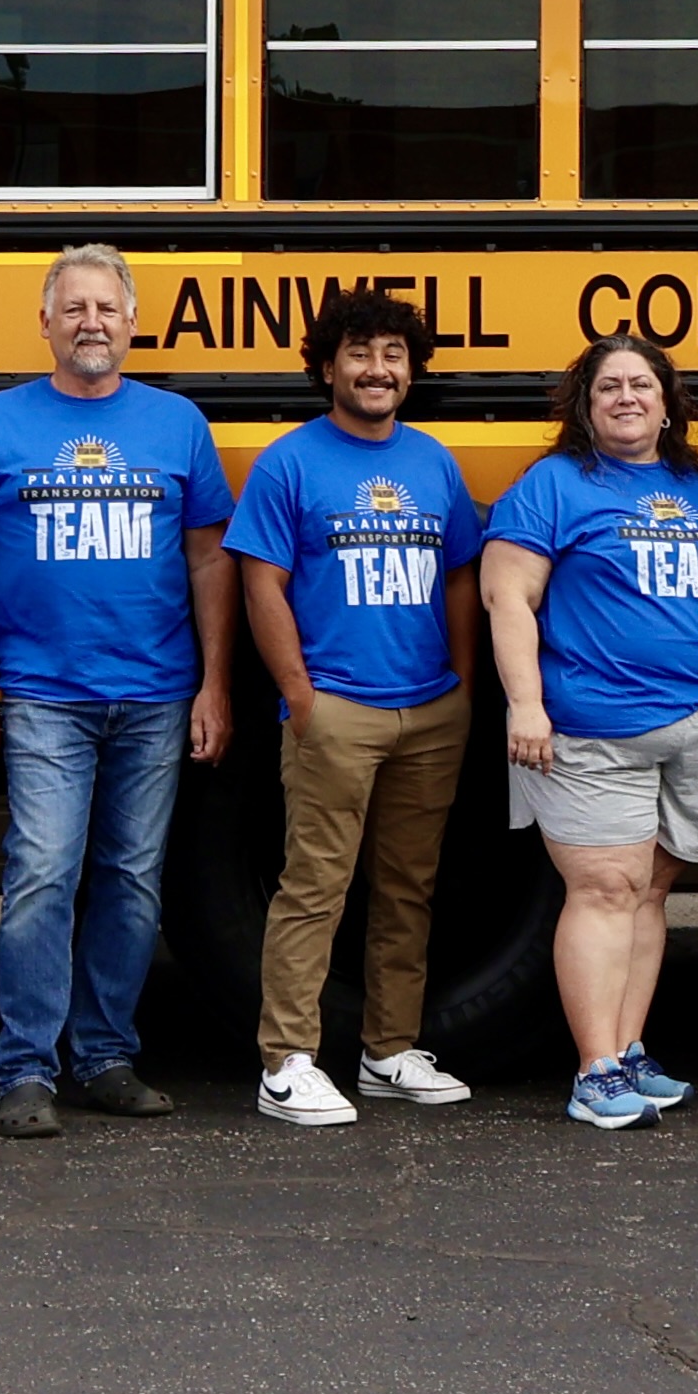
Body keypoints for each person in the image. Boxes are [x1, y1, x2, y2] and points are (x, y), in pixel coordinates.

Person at [0, 244, 234, 1138]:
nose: (90, 321)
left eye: (106, 307)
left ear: (132, 323)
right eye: (74, 308)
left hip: (156, 691)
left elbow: (209, 555)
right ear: (46, 323)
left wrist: (215, 684)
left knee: (133, 881)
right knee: (41, 877)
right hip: (42, 694)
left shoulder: (176, 423)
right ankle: (24, 1067)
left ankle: (105, 1055)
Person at [225, 287, 485, 1127]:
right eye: (361, 353)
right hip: (335, 707)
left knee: (409, 888)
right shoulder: (290, 462)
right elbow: (258, 581)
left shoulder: (433, 461)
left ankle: (387, 1050)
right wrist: (300, 696)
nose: (378, 369)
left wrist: (461, 686)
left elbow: (459, 573)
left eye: (394, 356)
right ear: (327, 365)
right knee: (315, 887)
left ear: (411, 371)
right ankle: (286, 1061)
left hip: (428, 708)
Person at [485, 337, 698, 1130]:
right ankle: (594, 1069)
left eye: (642, 384)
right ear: (585, 405)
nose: (627, 397)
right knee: (604, 888)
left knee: (650, 889)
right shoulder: (553, 486)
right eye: (609, 386)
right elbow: (507, 598)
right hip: (594, 727)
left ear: (668, 403)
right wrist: (525, 705)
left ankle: (629, 1049)